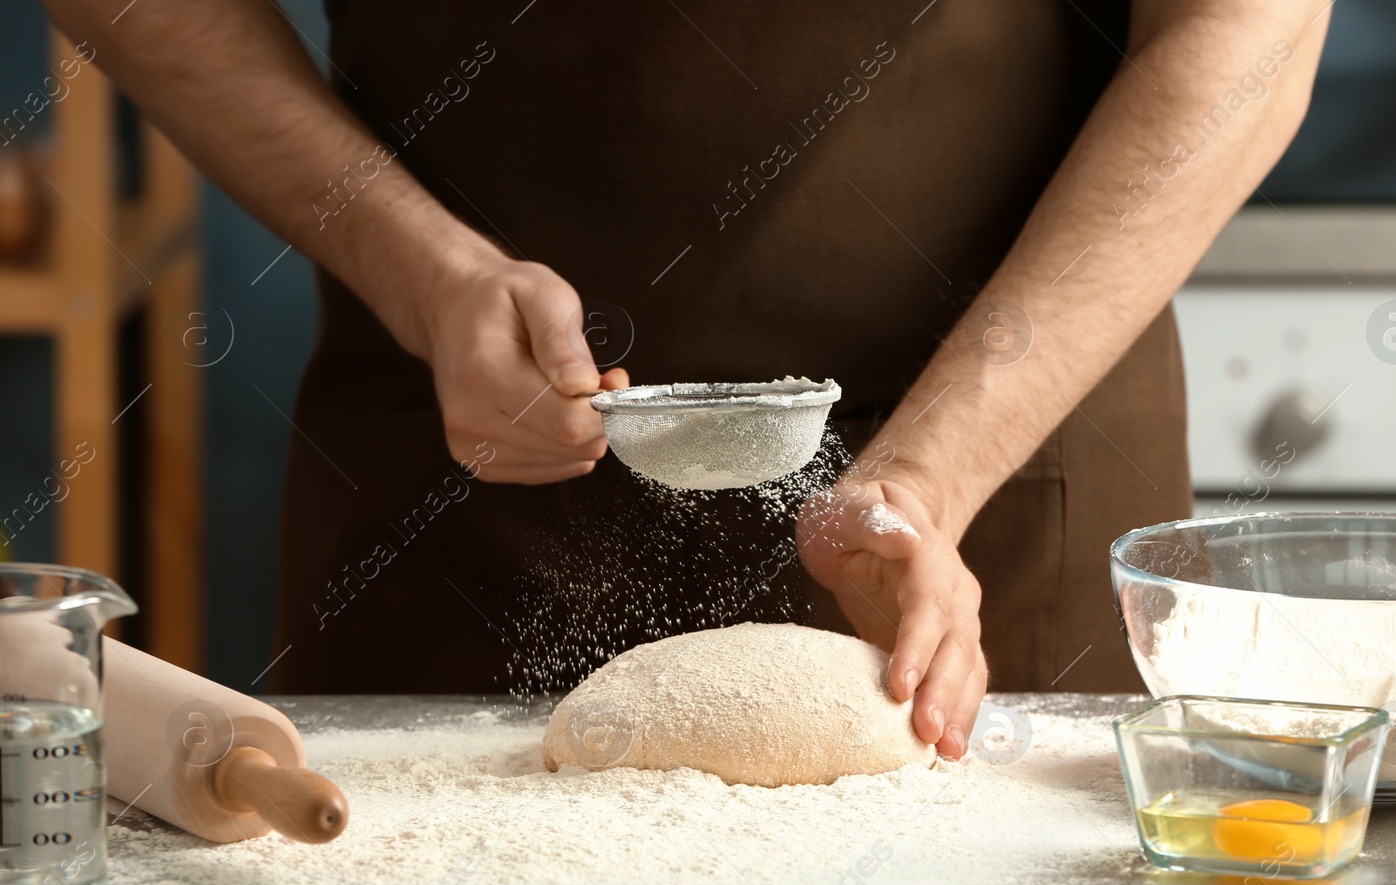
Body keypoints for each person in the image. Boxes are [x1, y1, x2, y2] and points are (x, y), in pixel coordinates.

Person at [45, 0, 1328, 757]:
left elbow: (1245, 28)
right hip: (461, 465)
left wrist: (934, 473)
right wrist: (423, 270)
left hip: (995, 472)